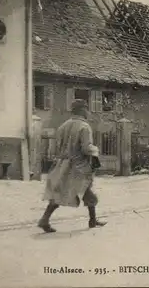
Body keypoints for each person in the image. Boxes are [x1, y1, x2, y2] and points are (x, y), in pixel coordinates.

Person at [37, 99, 106, 233]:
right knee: (87, 191)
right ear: (82, 110)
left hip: (62, 165)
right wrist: (96, 151)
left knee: (59, 193)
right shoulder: (84, 127)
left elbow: (57, 146)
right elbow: (86, 148)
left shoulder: (63, 126)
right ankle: (92, 221)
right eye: (87, 109)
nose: (88, 112)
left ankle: (45, 219)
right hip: (78, 166)